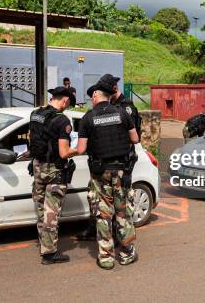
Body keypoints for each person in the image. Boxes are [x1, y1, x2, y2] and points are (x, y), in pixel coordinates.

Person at [77, 77, 140, 269]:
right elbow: (135, 139)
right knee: (123, 213)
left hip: (100, 172)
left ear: (96, 95)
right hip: (121, 171)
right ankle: (127, 253)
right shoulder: (122, 113)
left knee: (103, 215)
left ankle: (106, 258)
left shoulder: (88, 118)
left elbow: (80, 149)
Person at [27, 86, 78, 264]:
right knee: (51, 213)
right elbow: (64, 153)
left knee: (41, 210)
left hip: (37, 166)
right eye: (68, 103)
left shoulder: (35, 114)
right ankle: (49, 253)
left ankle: (44, 244)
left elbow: (31, 138)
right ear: (64, 100)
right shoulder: (61, 120)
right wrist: (78, 150)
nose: (67, 107)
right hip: (54, 170)